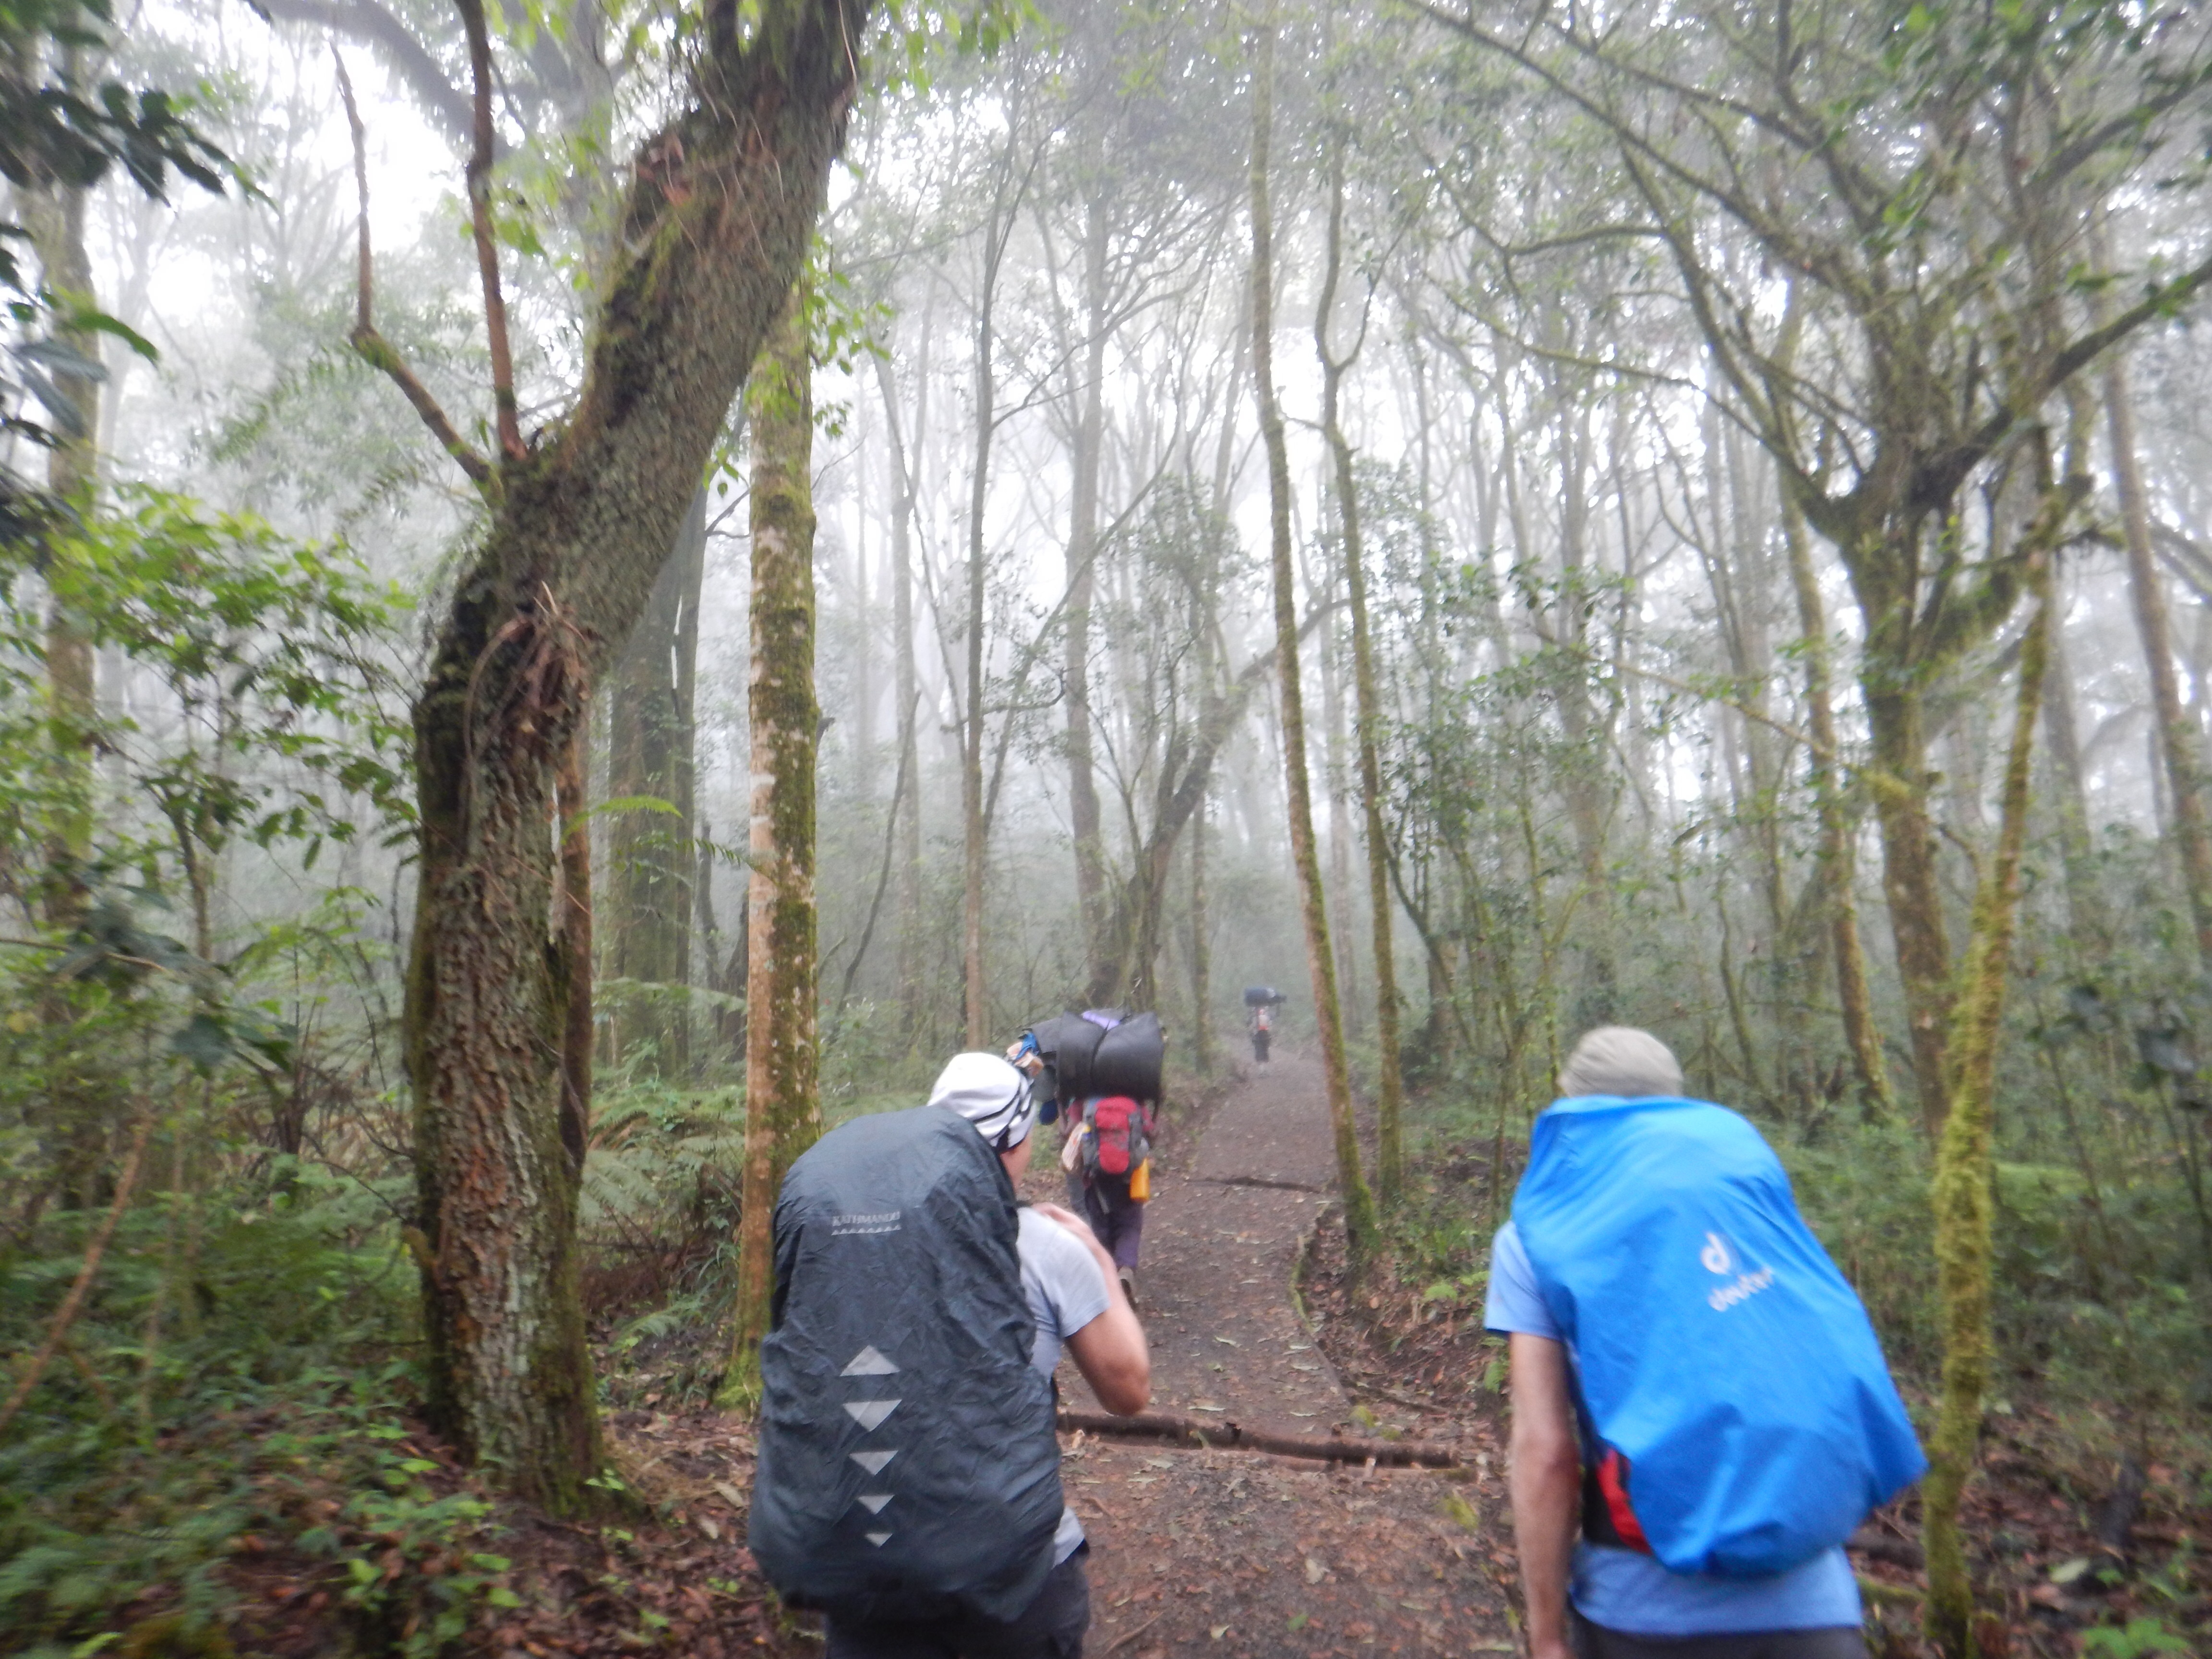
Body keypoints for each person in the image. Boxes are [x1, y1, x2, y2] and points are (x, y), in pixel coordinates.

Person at [1487, 1027, 1876, 1659]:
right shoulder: (1752, 1199)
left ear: (1573, 1105)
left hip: (1642, 1617)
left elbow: (1546, 1452)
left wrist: (1547, 1633)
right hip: (1817, 1611)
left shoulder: (1534, 1240)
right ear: (1675, 1101)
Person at [822, 1052, 1150, 1659]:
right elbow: (1128, 1391)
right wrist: (1101, 1261)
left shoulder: (855, 1232)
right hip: (1015, 1584)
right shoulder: (1048, 1247)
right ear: (1019, 1143)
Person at [1249, 1001, 1272, 1068]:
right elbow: (1270, 1026)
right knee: (1265, 1050)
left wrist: (1252, 1033)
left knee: (1258, 1050)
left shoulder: (1255, 1017)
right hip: (1266, 1035)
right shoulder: (1267, 1016)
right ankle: (1265, 1066)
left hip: (1258, 1035)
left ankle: (1261, 1067)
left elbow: (1252, 1027)